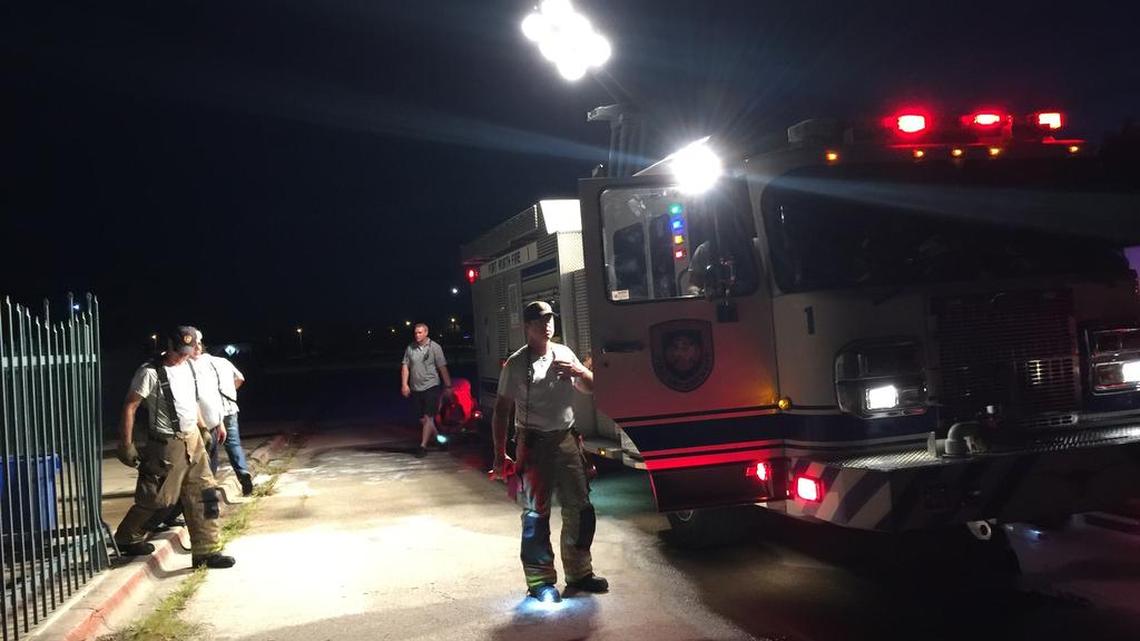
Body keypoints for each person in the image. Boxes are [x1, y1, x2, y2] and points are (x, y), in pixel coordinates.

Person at [491, 301, 608, 603]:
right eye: (540, 320)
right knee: (536, 515)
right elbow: (502, 410)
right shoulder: (516, 364)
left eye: (550, 319)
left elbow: (592, 388)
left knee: (581, 509)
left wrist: (579, 370)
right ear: (527, 326)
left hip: (567, 440)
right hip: (533, 444)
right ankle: (540, 581)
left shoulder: (564, 353)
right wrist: (500, 452)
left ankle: (580, 572)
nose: (547, 325)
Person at [113, 326, 235, 569]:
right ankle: (127, 537)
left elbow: (192, 402)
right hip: (167, 445)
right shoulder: (149, 372)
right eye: (179, 351)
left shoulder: (189, 366)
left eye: (187, 351)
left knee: (205, 495)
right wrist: (126, 445)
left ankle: (207, 551)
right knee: (157, 498)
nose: (183, 356)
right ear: (168, 345)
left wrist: (201, 429)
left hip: (194, 440)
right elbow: (130, 406)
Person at [191, 330, 254, 496]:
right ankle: (243, 473)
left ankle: (209, 483)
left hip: (210, 414)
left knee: (210, 449)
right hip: (231, 409)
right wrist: (230, 393)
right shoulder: (222, 362)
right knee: (233, 444)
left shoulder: (194, 365)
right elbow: (240, 378)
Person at [400, 323, 453, 458]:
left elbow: (442, 367)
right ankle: (440, 441)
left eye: (420, 332)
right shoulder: (410, 348)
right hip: (416, 387)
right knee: (424, 420)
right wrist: (404, 384)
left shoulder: (435, 348)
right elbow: (405, 366)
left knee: (429, 417)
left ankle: (422, 446)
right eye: (416, 332)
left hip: (431, 386)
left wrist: (448, 386)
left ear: (426, 333)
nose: (417, 335)